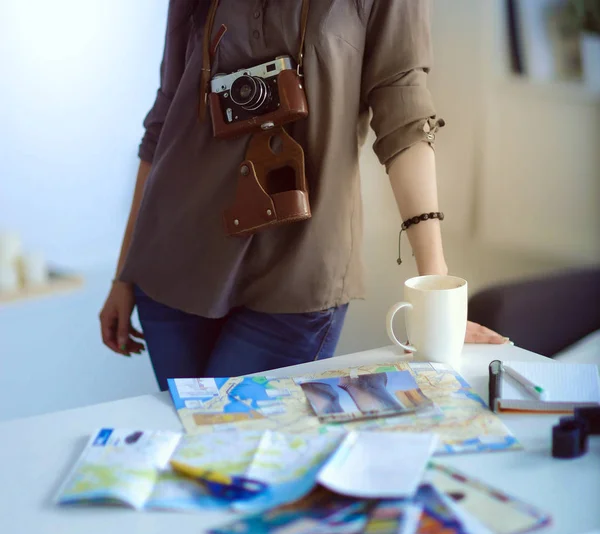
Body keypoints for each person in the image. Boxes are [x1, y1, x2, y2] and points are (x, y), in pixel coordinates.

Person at [99, 0, 505, 392]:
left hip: (298, 268)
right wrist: (124, 273)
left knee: (238, 446)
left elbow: (404, 110)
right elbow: (165, 116)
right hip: (173, 263)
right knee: (195, 451)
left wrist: (435, 292)